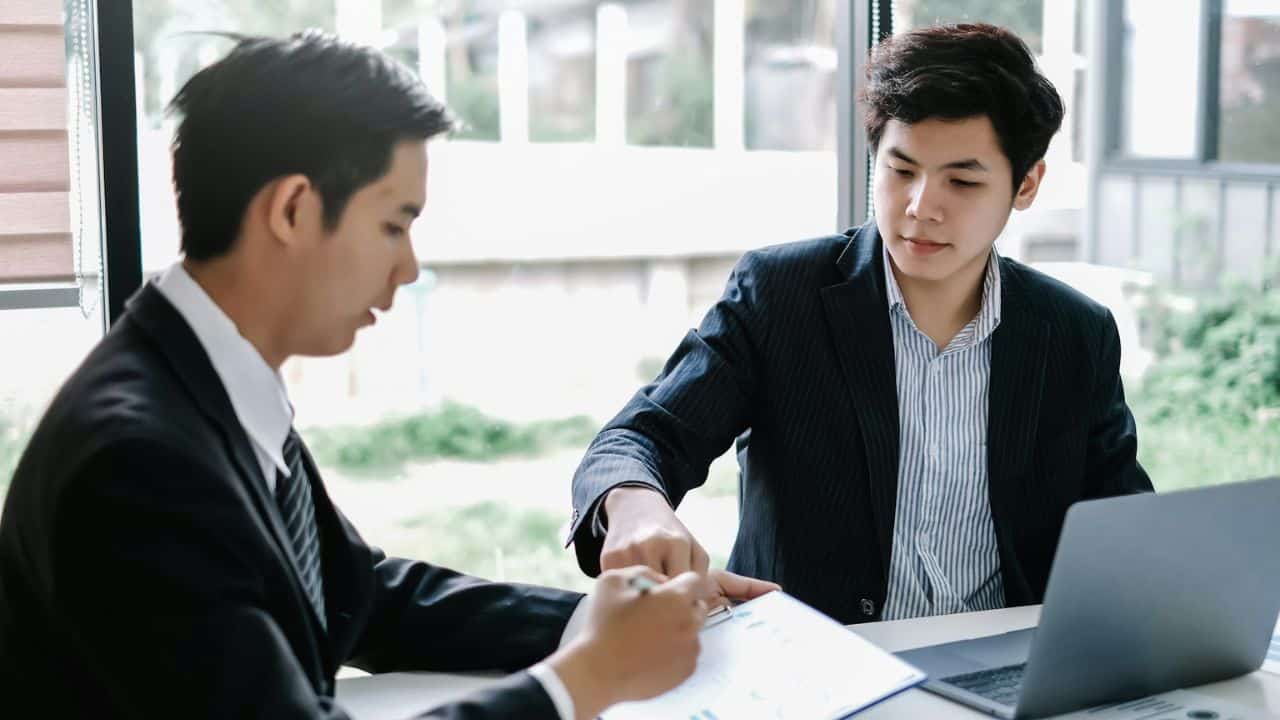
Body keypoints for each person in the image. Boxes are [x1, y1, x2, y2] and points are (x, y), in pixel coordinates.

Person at [0, 31, 776, 719]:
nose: (408, 268)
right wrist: (585, 679)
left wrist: (627, 619)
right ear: (294, 211)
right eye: (393, 224)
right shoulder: (139, 464)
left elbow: (358, 595)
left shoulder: (204, 383)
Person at [568, 23, 1153, 625]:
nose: (921, 206)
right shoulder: (781, 294)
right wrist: (634, 502)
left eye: (962, 180)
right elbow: (642, 437)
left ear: (1025, 184)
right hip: (820, 662)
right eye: (901, 170)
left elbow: (1127, 523)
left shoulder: (1074, 331)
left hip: (1007, 665)